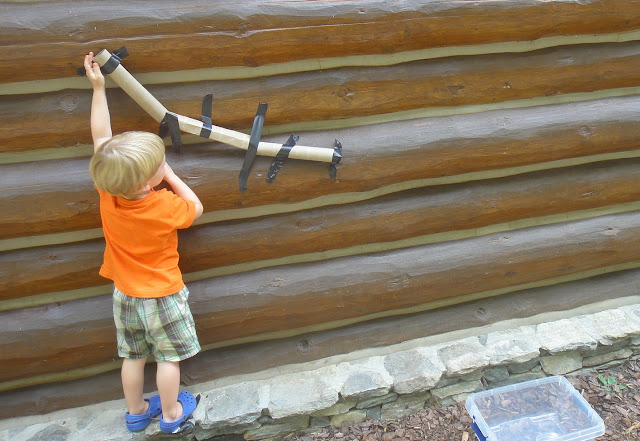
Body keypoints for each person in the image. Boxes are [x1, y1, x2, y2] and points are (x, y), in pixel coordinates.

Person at [83, 52, 203, 434]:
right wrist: (172, 176)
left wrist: (98, 89)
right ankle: (171, 414)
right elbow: (196, 208)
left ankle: (136, 412)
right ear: (148, 181)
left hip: (125, 295)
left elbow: (101, 138)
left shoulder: (108, 192)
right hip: (163, 295)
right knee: (168, 358)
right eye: (158, 166)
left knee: (132, 356)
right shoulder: (163, 206)